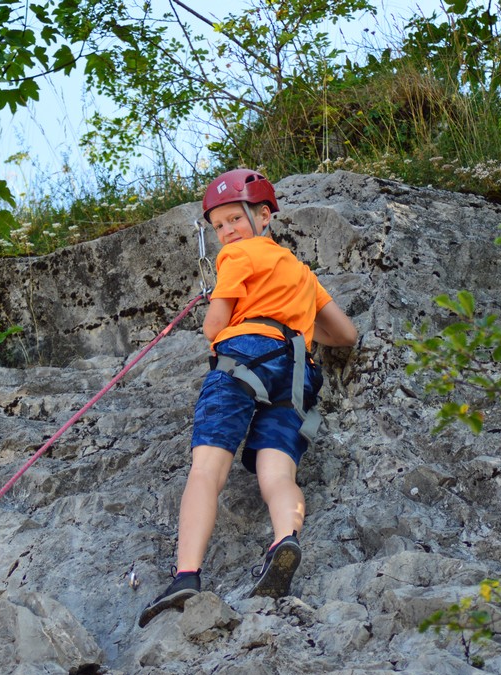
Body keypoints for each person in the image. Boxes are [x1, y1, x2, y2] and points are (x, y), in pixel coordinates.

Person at [138, 169, 358, 628]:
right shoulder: (301, 272)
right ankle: (284, 538)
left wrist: (233, 312)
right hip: (297, 371)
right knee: (276, 469)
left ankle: (186, 574)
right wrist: (291, 321)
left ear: (263, 217)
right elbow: (345, 334)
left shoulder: (236, 256)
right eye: (218, 226)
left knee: (206, 467)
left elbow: (214, 327)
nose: (227, 233)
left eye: (234, 219)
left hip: (241, 358)